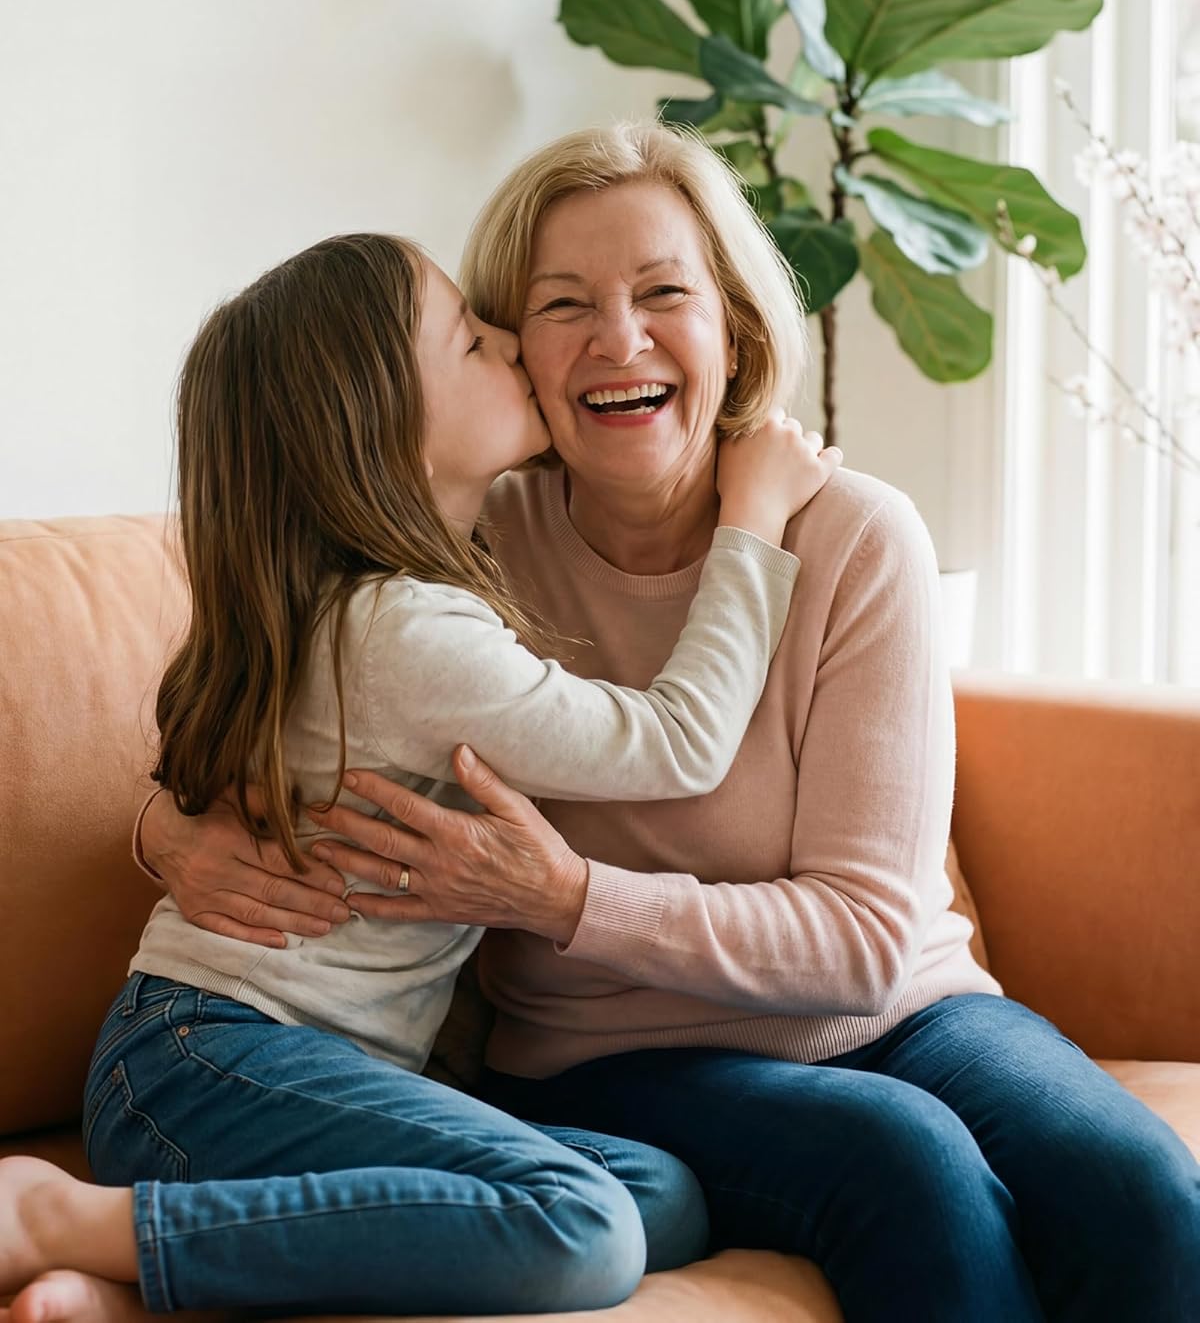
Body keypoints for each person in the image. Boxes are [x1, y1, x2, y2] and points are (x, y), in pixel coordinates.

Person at [131, 122, 1200, 1323]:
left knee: (1142, 1183)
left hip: (901, 1008)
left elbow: (861, 945)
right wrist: (168, 832)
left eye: (662, 293)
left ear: (734, 327)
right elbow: (260, 672)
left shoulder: (851, 536)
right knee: (907, 1165)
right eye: (562, 304)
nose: (618, 338)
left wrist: (565, 898)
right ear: (515, 352)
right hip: (608, 1057)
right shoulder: (460, 535)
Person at [0, 231, 843, 1323]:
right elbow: (674, 742)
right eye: (474, 339)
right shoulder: (400, 629)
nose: (510, 344)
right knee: (584, 1226)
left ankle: (135, 1281)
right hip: (205, 1068)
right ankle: (49, 1219)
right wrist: (755, 517)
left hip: (283, 1084)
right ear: (388, 427)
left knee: (661, 1196)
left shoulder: (383, 598)